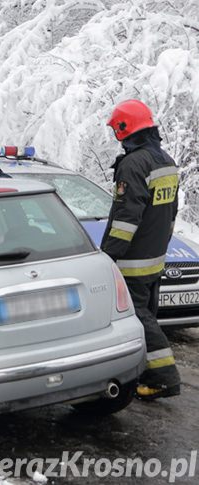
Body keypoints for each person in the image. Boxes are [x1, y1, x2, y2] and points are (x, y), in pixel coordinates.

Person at [101, 99, 181, 400]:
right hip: (155, 256)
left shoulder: (133, 164)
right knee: (147, 315)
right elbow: (172, 212)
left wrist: (108, 256)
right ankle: (148, 372)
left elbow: (126, 218)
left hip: (133, 261)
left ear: (124, 129)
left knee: (139, 317)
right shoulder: (166, 161)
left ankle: (165, 377)